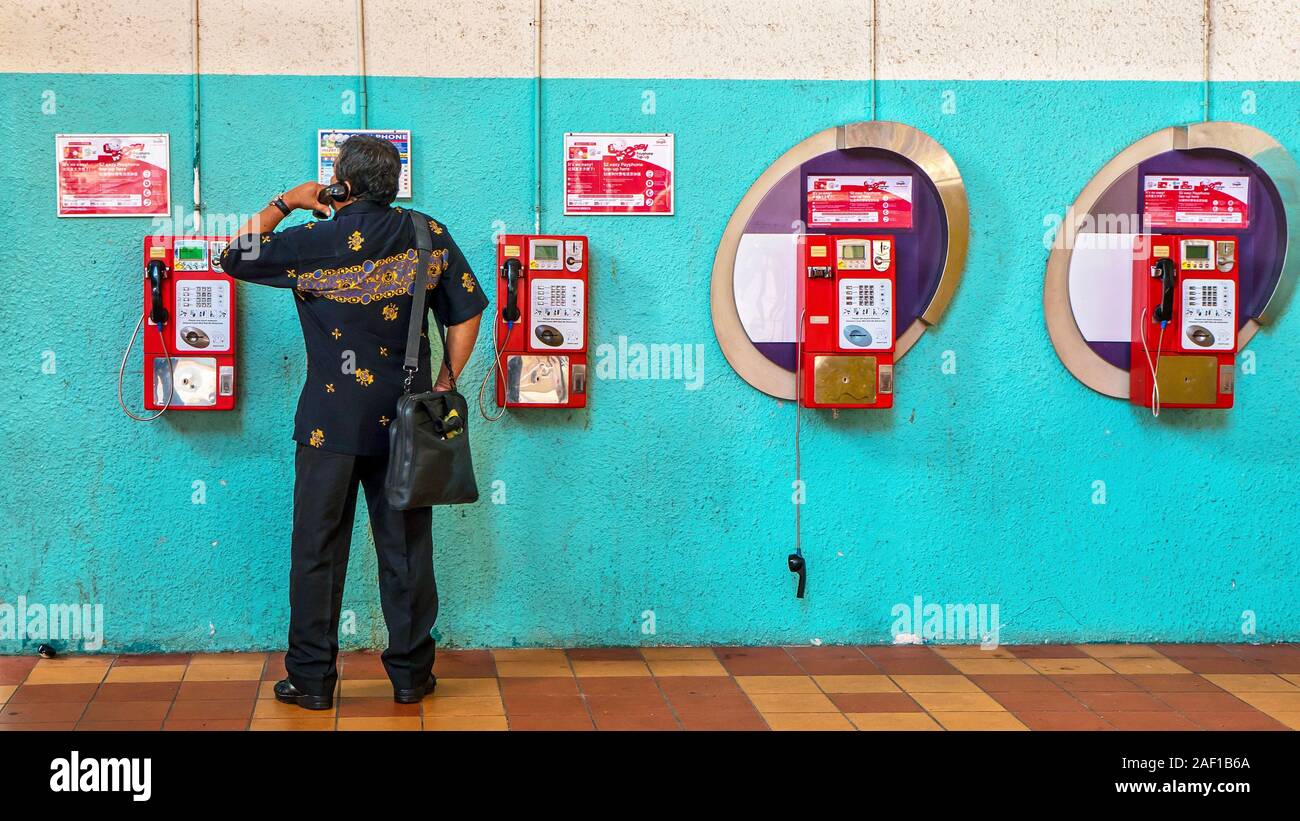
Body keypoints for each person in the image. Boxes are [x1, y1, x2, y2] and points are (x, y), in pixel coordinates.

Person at [219, 135, 487, 709]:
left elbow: (234, 254)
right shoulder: (426, 233)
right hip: (409, 421)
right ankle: (412, 677)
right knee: (407, 550)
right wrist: (446, 379)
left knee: (317, 549)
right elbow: (467, 311)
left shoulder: (312, 240)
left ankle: (312, 681)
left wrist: (287, 201)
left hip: (328, 423)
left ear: (340, 181)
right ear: (395, 182)